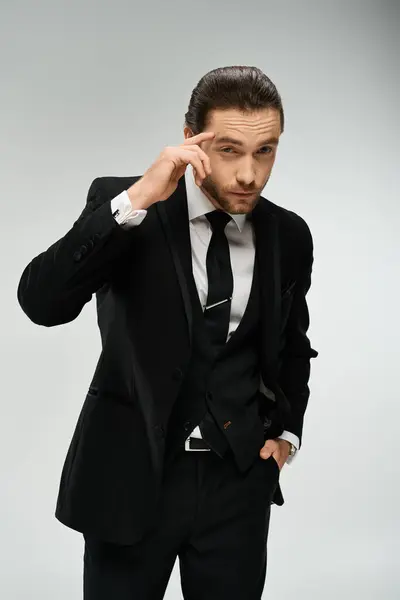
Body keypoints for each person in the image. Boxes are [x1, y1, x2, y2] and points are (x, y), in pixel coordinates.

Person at [17, 65, 318, 599]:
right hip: (132, 479)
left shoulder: (288, 235)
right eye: (229, 150)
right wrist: (136, 201)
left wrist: (285, 433)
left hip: (237, 484)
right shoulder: (129, 207)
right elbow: (42, 302)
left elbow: (293, 344)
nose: (249, 174)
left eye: (265, 150)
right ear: (191, 140)